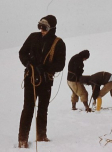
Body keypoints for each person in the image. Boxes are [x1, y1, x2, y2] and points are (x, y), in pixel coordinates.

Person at [18, 15, 66, 148]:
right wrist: (28, 64)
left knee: (43, 109)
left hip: (45, 81)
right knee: (28, 108)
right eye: (39, 26)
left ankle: (41, 135)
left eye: (44, 27)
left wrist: (44, 68)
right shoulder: (33, 37)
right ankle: (22, 139)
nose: (41, 30)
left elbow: (60, 64)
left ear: (52, 28)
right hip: (30, 79)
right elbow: (22, 53)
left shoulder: (59, 43)